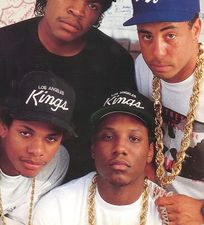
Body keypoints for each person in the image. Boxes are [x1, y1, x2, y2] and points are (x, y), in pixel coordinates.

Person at [0, 0, 136, 179]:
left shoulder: (115, 62)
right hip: (11, 179)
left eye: (92, 4)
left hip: (80, 186)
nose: (77, 10)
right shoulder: (3, 44)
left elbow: (126, 132)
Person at [123, 0, 204, 225]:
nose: (156, 52)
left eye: (170, 34)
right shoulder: (143, 69)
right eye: (146, 35)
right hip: (155, 203)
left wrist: (201, 212)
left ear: (196, 28)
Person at [33, 89, 171, 225]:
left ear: (150, 152)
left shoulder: (171, 212)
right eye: (108, 137)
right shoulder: (57, 207)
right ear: (93, 148)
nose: (120, 148)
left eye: (134, 138)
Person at [0, 70, 76, 225]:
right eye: (26, 133)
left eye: (51, 138)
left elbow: (18, 220)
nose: (37, 150)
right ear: (4, 126)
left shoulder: (57, 161)